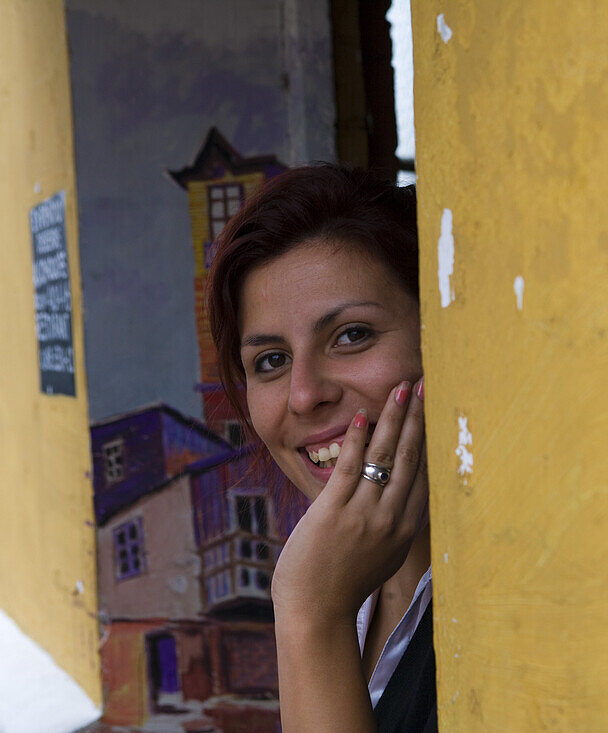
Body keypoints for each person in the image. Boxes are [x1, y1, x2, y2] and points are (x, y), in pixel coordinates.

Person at [205, 165, 435, 732]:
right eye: (271, 361)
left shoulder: (520, 599)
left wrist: (311, 615)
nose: (305, 395)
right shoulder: (343, 587)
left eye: (352, 334)